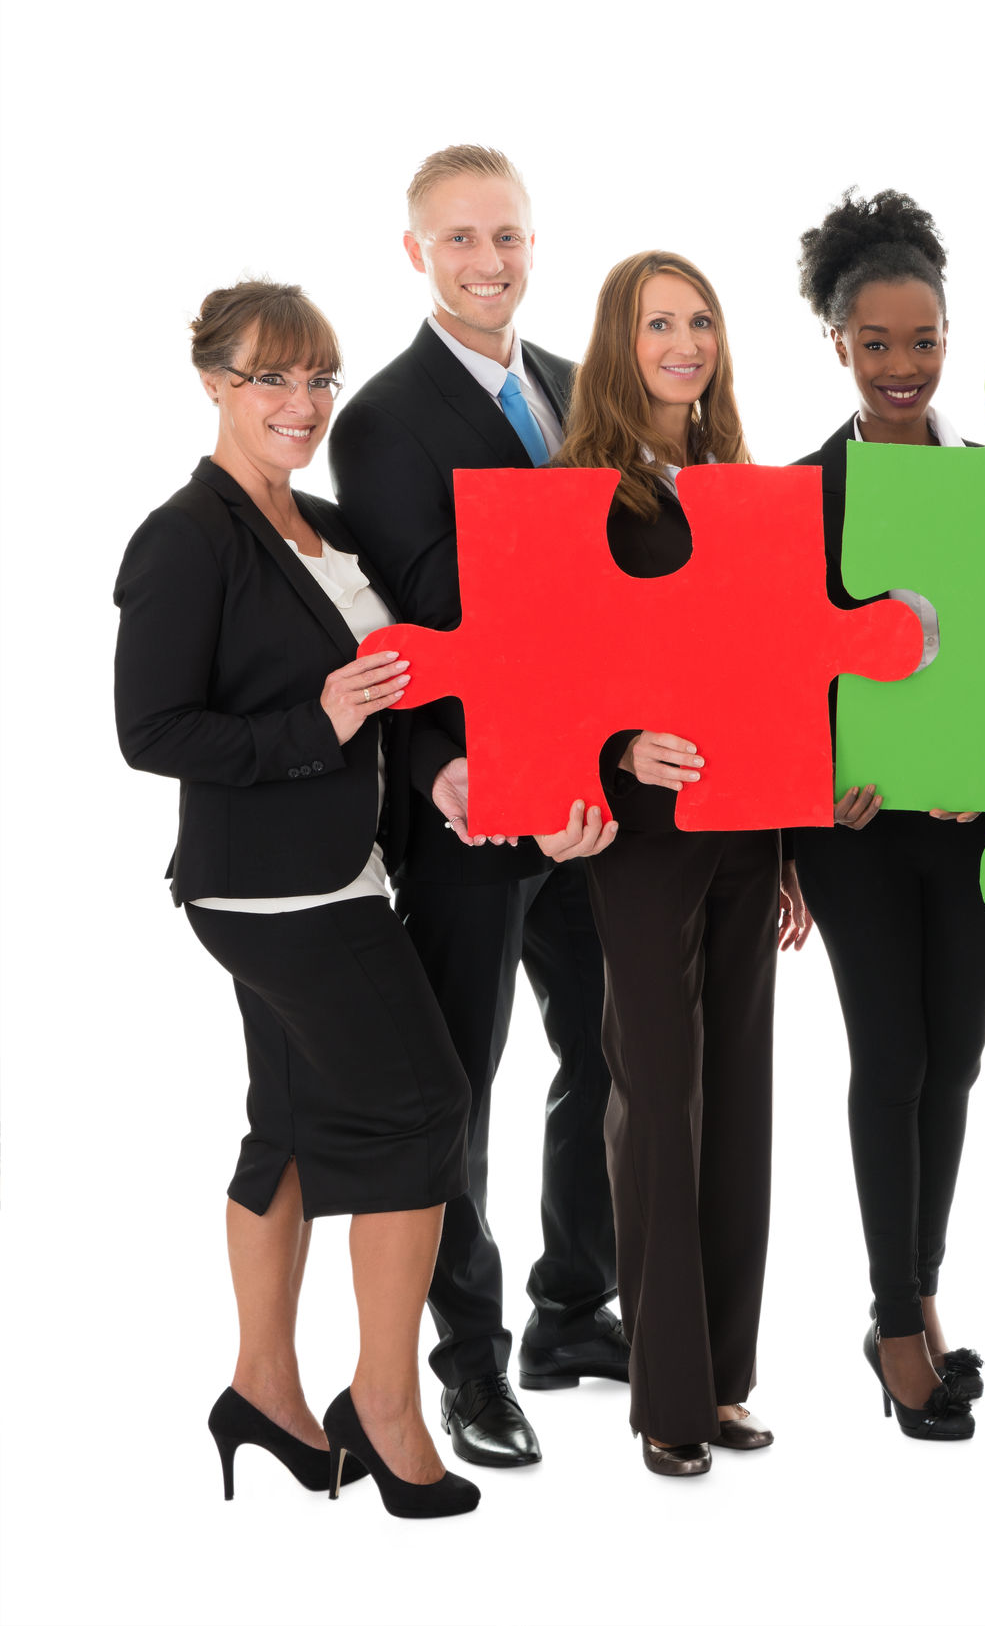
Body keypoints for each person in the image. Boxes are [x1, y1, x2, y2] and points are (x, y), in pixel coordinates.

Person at [118, 283, 576, 1518]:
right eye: (273, 378)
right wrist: (311, 725)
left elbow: (399, 686)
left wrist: (435, 770)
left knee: (291, 1123)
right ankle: (383, 1405)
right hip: (270, 889)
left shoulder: (314, 524)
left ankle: (263, 1385)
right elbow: (148, 728)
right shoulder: (187, 535)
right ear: (214, 383)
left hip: (342, 866)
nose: (303, 404)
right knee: (426, 1101)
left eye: (318, 378)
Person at [328, 144, 622, 1470]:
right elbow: (415, 613)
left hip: (584, 791)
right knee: (461, 1086)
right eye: (459, 240)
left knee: (609, 1049)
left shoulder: (570, 387)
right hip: (467, 802)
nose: (487, 260)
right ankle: (469, 1362)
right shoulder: (383, 419)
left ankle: (572, 1307)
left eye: (504, 235)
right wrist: (448, 763)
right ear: (416, 255)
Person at [556, 250, 799, 1477]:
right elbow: (548, 672)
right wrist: (612, 746)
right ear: (619, 340)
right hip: (643, 837)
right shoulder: (581, 492)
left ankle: (726, 1377)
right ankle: (666, 1396)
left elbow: (776, 667)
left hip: (749, 832)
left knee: (738, 1099)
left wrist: (792, 838)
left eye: (700, 321)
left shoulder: (738, 485)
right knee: (655, 1098)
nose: (684, 343)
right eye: (659, 323)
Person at [787, 189, 985, 1443]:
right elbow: (777, 674)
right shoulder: (800, 494)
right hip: (856, 827)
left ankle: (922, 1292)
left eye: (921, 340)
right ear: (837, 344)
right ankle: (888, 1320)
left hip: (974, 822)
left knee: (960, 1055)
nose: (902, 367)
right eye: (876, 343)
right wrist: (813, 775)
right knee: (893, 1055)